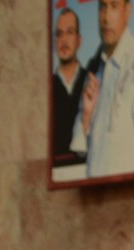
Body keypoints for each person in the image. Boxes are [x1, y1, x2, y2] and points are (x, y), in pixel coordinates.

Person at [71, 0, 134, 176]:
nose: (106, 18)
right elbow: (80, 151)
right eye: (102, 7)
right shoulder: (95, 69)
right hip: (94, 190)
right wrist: (85, 117)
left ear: (127, 11)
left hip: (125, 193)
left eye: (114, 6)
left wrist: (129, 192)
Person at [50, 9, 88, 166]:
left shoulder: (92, 82)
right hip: (57, 172)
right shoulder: (46, 88)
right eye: (59, 34)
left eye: (70, 32)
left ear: (79, 40)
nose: (64, 40)